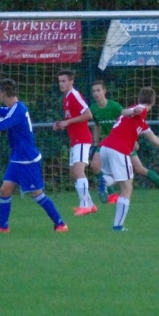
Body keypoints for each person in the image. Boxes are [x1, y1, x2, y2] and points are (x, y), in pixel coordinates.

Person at [0, 78, 68, 233]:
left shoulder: (18, 111)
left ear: (3, 93)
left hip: (28, 159)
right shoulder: (15, 108)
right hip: (17, 158)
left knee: (37, 195)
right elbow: (4, 111)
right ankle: (3, 227)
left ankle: (60, 224)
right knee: (5, 190)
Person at [98, 87, 159, 232]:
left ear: (139, 97)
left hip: (105, 148)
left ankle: (104, 181)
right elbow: (129, 111)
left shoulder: (141, 121)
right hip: (118, 150)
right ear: (154, 101)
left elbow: (153, 138)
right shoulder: (141, 110)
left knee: (114, 178)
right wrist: (134, 110)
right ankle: (118, 226)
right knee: (127, 187)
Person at [88, 80, 159, 204]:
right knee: (97, 166)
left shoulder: (115, 106)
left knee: (139, 169)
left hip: (121, 144)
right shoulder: (94, 109)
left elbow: (150, 135)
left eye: (98, 90)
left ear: (104, 91)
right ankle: (111, 194)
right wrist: (95, 142)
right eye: (94, 91)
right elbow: (98, 124)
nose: (96, 93)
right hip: (111, 143)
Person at [52, 69, 96, 216]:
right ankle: (90, 204)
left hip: (82, 139)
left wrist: (68, 122)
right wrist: (61, 124)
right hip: (75, 140)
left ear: (71, 82)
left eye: (64, 81)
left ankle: (84, 205)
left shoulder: (74, 95)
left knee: (78, 171)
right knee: (73, 174)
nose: (61, 84)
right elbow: (71, 119)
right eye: (59, 81)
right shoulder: (66, 98)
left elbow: (88, 115)